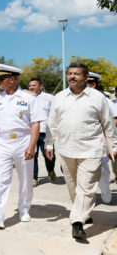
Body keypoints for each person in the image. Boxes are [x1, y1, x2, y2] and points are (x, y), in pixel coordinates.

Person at [45, 63, 117, 239]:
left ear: (86, 78)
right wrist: (49, 144)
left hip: (91, 150)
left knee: (86, 188)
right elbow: (52, 123)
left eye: (76, 74)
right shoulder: (59, 97)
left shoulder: (97, 98)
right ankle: (85, 212)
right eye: (70, 73)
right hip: (66, 150)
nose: (72, 77)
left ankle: (77, 221)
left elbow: (108, 124)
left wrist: (112, 147)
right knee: (73, 187)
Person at [0, 64, 44, 229]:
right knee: (1, 179)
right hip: (2, 142)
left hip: (23, 141)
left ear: (13, 79)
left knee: (25, 179)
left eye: (2, 78)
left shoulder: (29, 98)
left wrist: (32, 146)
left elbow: (35, 123)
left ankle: (24, 209)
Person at [86, 73, 117, 204]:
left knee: (102, 169)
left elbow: (114, 120)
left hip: (100, 140)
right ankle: (87, 196)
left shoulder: (105, 101)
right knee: (82, 170)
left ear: (93, 85)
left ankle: (105, 189)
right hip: (80, 140)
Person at [28, 78, 56, 186]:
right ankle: (33, 178)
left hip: (46, 131)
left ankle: (50, 170)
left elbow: (55, 113)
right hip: (31, 132)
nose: (31, 87)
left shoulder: (49, 98)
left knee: (49, 155)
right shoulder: (26, 98)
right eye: (30, 86)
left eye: (34, 85)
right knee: (32, 156)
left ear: (41, 86)